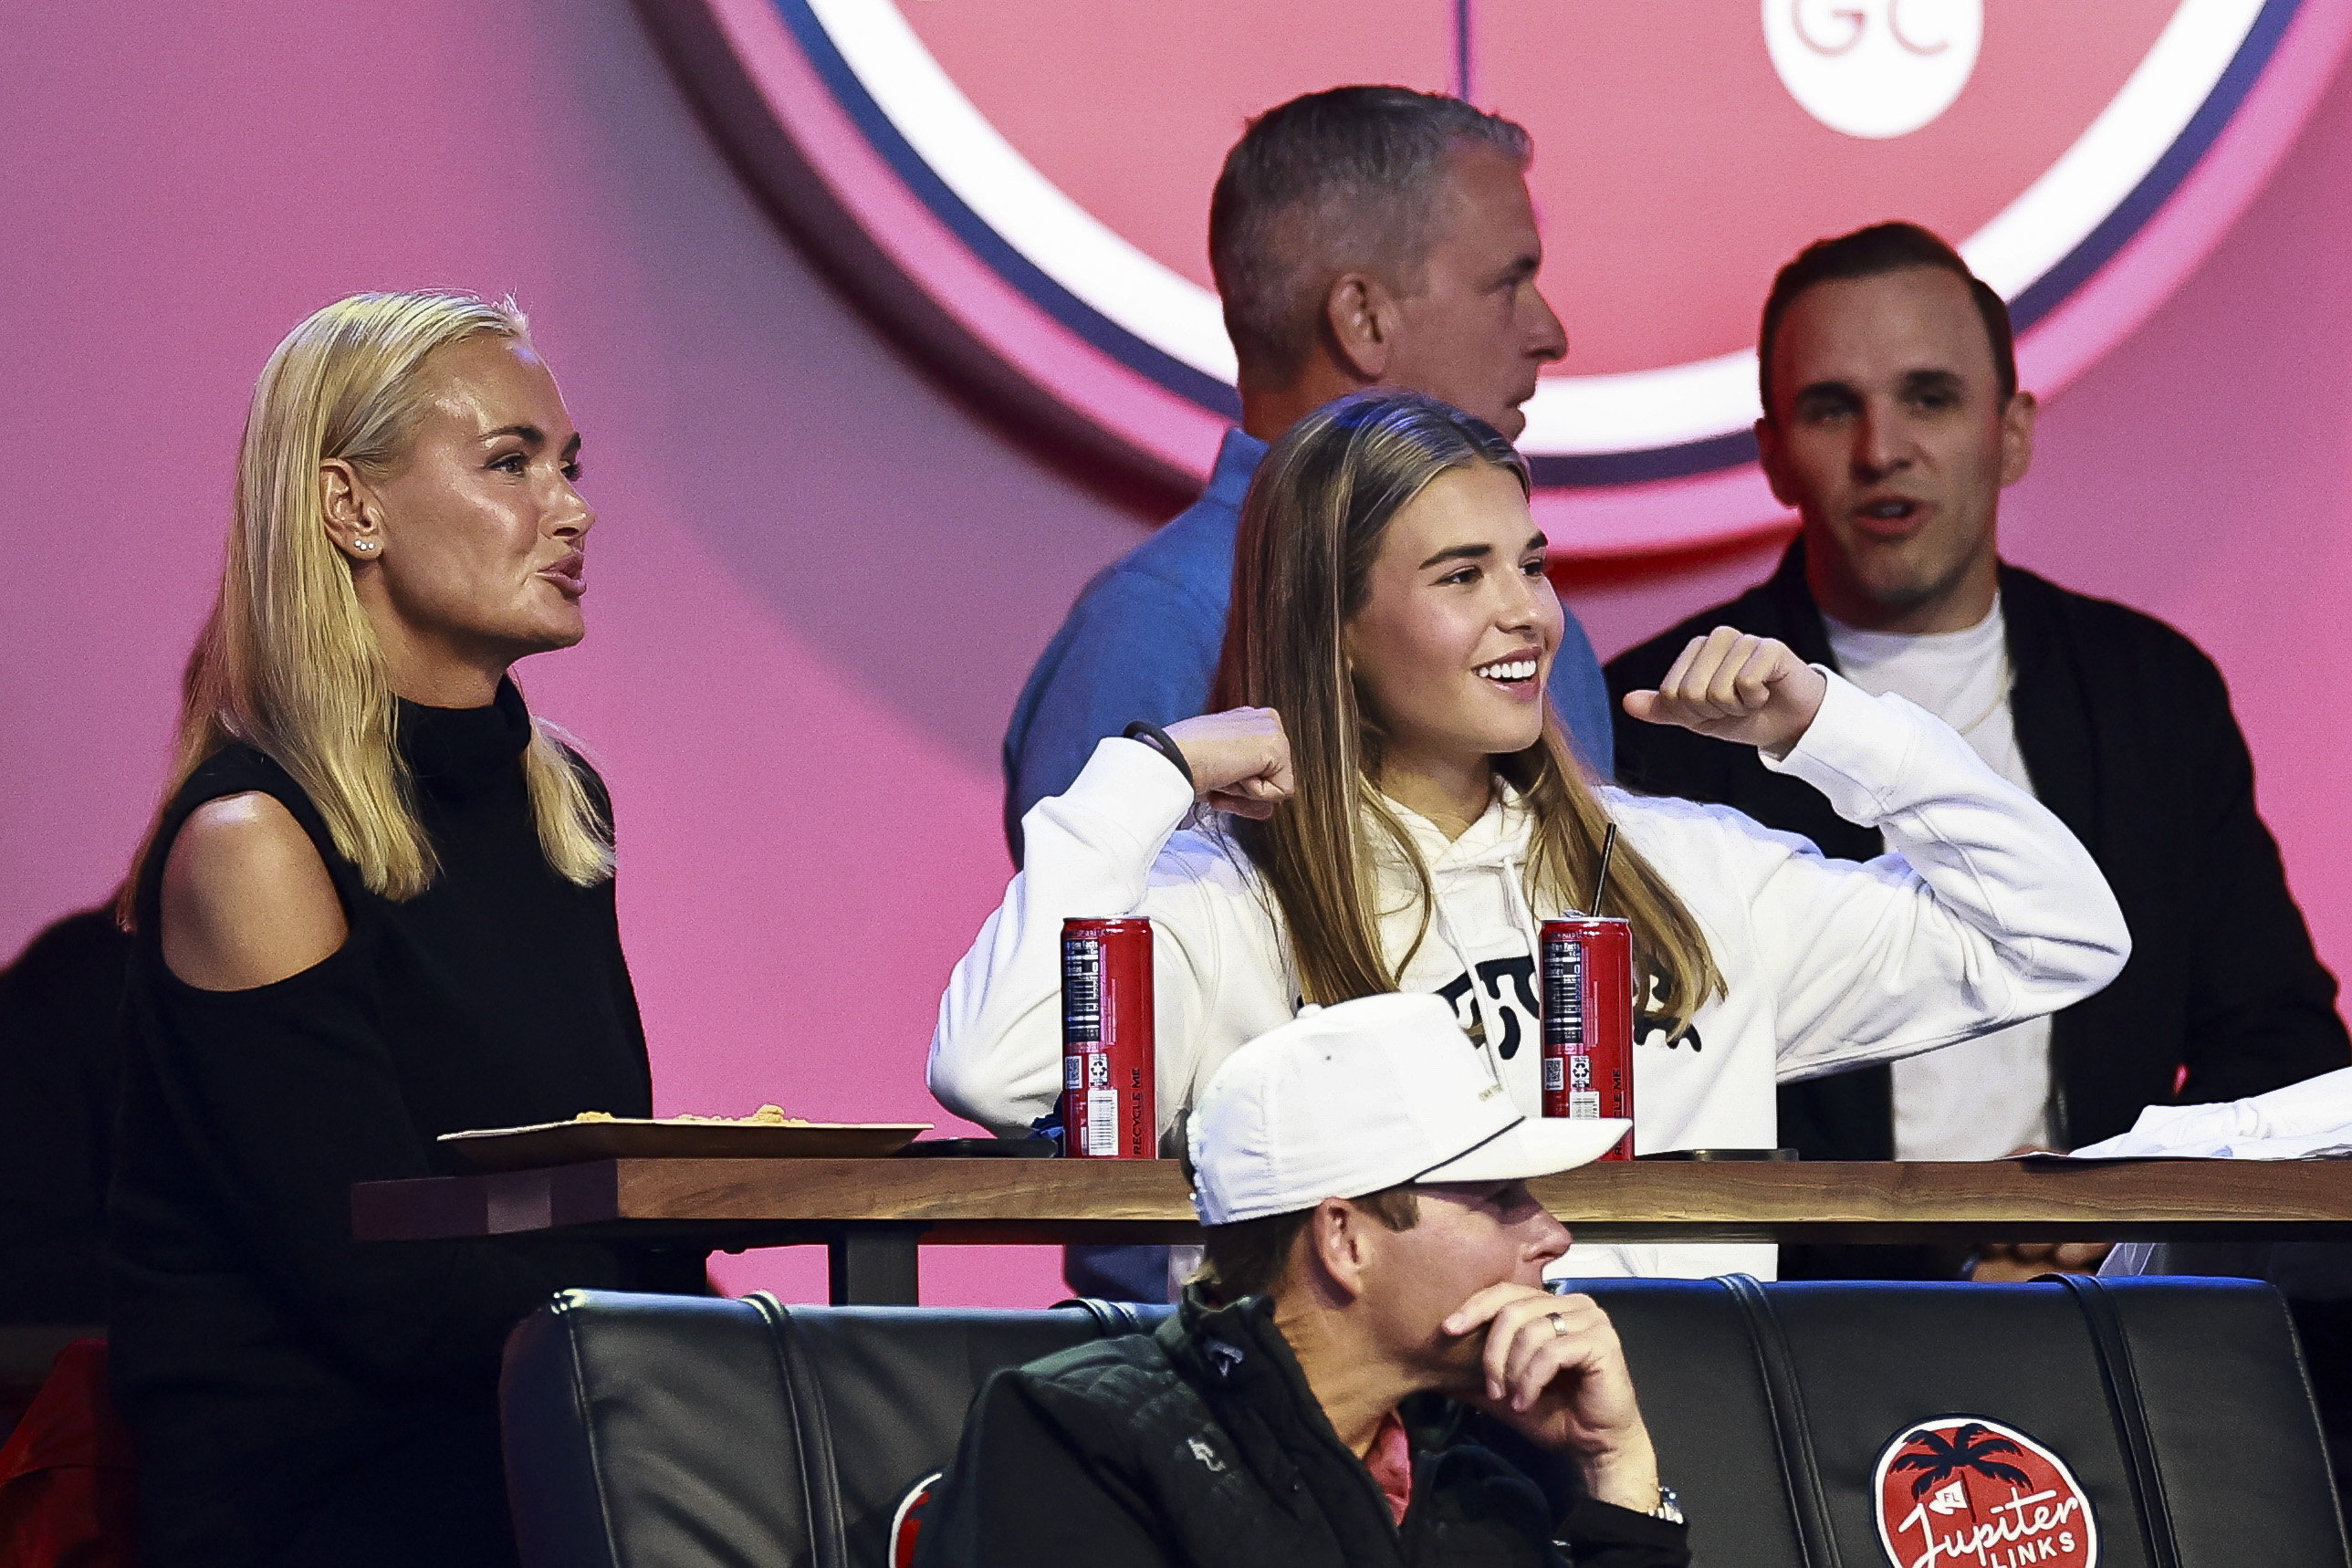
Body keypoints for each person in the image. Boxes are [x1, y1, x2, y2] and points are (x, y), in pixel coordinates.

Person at [931, 389, 2131, 1283]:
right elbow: (993, 1070)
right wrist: (1153, 771)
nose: (1527, 612)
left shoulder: (1679, 870)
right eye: (1462, 574)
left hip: (1678, 1482)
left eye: (1532, 564)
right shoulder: (1218, 896)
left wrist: (1831, 728)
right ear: (1334, 624)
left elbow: (2057, 935)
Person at [1605, 223, 2348, 1281]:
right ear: (1771, 454)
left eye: (1930, 397)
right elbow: (1633, 1094)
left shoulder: (2152, 691)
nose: (1881, 449)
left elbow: (2283, 1045)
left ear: (2011, 432)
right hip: (1798, 1325)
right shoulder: (1654, 718)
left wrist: (2116, 1201)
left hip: (2112, 1308)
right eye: (1831, 407)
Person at [108, 291, 702, 1568]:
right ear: (350, 509)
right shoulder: (253, 844)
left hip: (552, 1430)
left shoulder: (562, 805)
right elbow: (387, 1294)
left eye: (569, 464)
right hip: (343, 1496)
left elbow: (584, 1181)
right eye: (511, 461)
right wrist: (665, 1256)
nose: (573, 506)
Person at [1002, 86, 1614, 862]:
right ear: (1363, 319)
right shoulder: (1158, 628)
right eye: (1506, 283)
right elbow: (1088, 958)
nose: (1549, 333)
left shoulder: (1530, 618)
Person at [914, 992, 1690, 1567]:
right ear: (1345, 1240)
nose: (1552, 1235)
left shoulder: (1476, 1490)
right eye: (1498, 1199)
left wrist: (1613, 1465)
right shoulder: (1073, 1432)